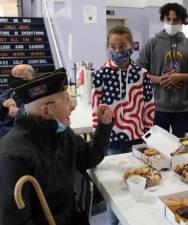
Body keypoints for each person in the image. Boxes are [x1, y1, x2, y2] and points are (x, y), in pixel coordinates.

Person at [0, 69, 114, 225]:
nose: (72, 107)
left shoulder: (61, 134)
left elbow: (88, 158)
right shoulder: (12, 154)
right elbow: (14, 220)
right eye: (66, 101)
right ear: (46, 110)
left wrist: (105, 126)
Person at [92, 25, 154, 225]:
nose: (118, 51)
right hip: (112, 138)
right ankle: (113, 222)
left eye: (122, 46)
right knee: (116, 185)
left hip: (137, 137)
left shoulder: (142, 73)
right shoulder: (101, 73)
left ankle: (136, 218)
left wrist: (147, 133)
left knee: (139, 180)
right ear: (108, 47)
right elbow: (96, 106)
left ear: (131, 45)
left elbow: (149, 104)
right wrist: (98, 133)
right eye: (113, 46)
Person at [137, 2, 188, 138]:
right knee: (157, 151)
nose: (172, 23)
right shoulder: (151, 44)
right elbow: (140, 74)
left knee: (183, 149)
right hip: (157, 108)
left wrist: (180, 77)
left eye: (176, 20)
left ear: (182, 21)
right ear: (163, 19)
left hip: (185, 109)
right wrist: (160, 80)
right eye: (168, 19)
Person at [0, 64, 35, 139]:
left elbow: (42, 119)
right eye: (11, 75)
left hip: (21, 136)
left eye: (15, 75)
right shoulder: (9, 91)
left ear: (28, 77)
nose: (11, 78)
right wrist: (3, 103)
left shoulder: (38, 93)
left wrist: (19, 113)